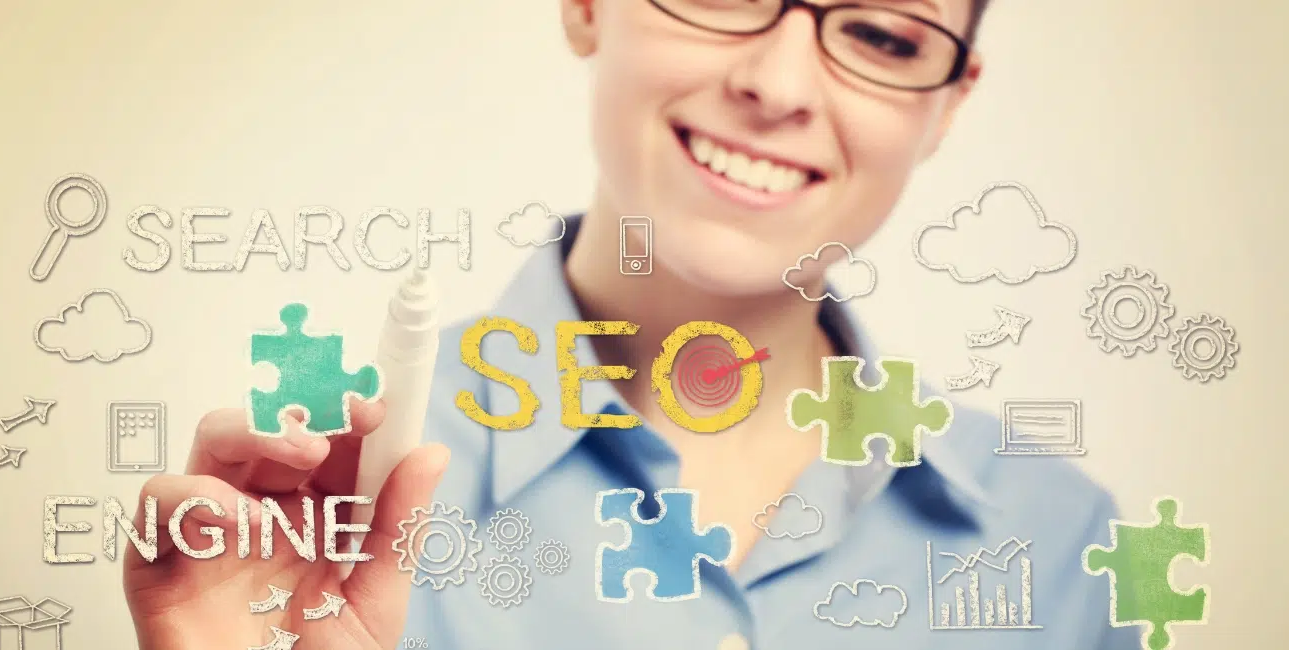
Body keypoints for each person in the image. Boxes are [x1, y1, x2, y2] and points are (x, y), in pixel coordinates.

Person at [125, 1, 1136, 648]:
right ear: (585, 5)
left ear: (950, 104)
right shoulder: (319, 502)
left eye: (880, 34)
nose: (776, 87)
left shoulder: (1064, 541)